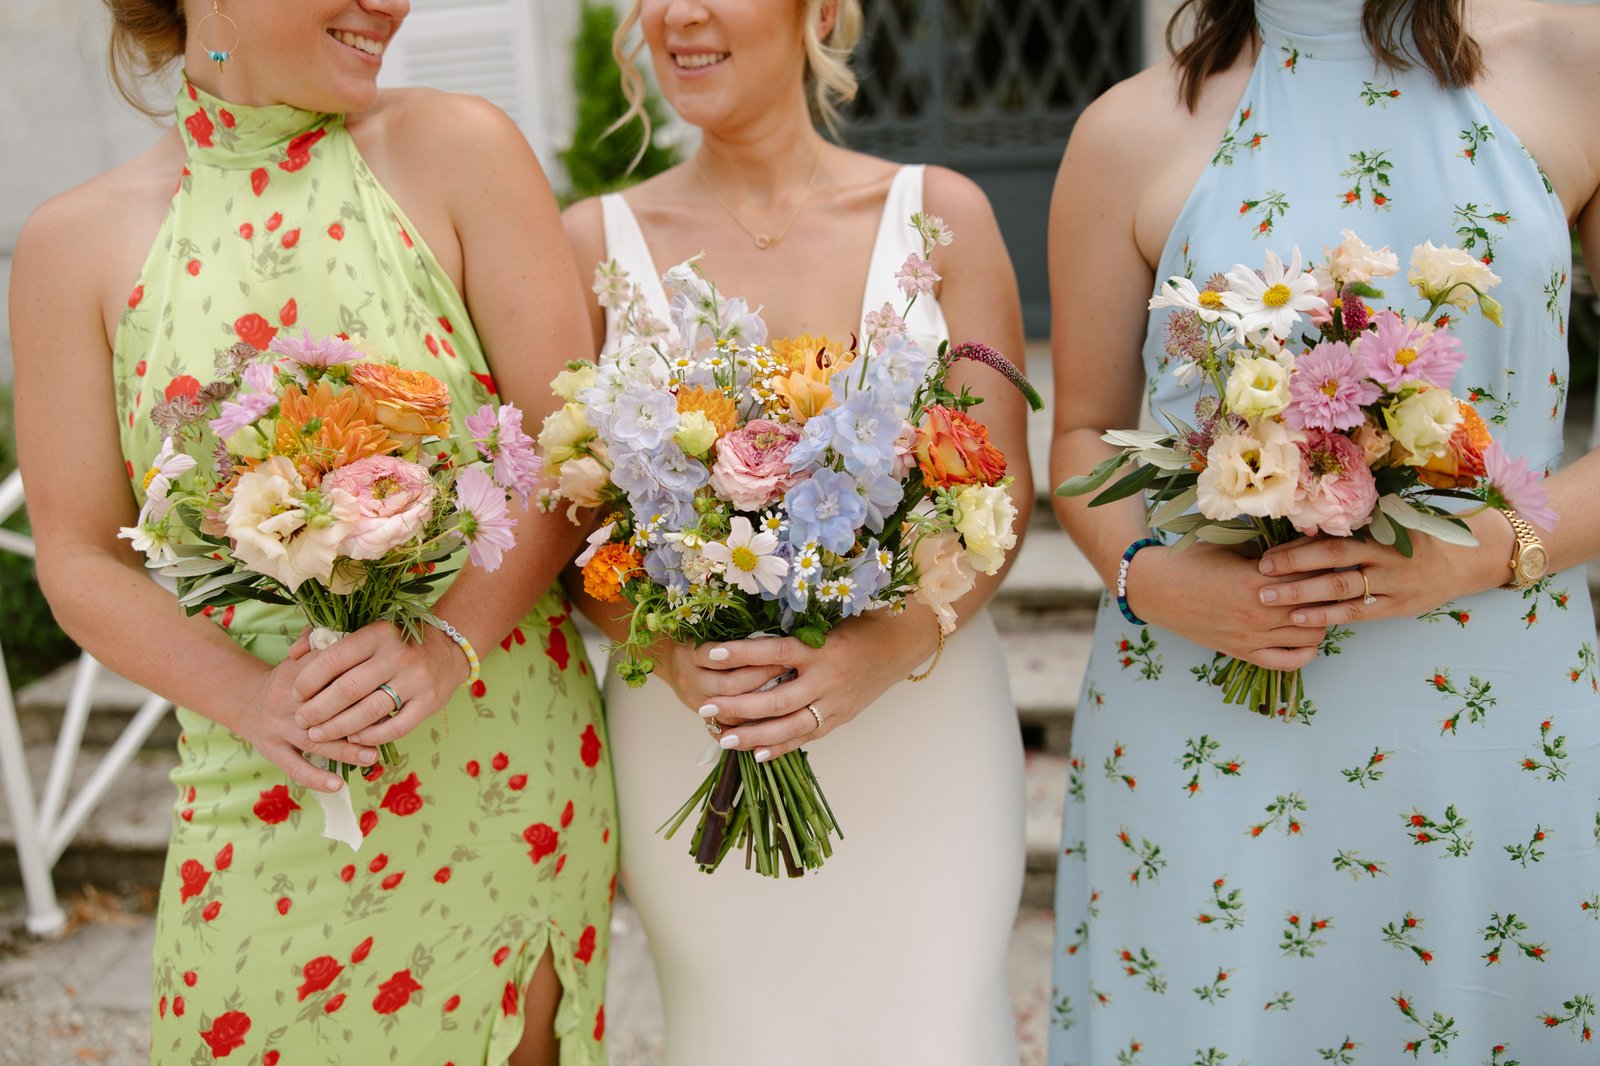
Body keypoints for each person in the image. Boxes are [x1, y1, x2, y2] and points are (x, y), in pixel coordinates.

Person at [8, 1, 616, 1062]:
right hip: (254, 784)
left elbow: (569, 459)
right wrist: (251, 699)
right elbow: (75, 556)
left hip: (494, 767)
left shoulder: (460, 151)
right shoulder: (73, 244)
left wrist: (443, 643)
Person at [1047, 0, 1600, 1060]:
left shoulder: (1573, 63)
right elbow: (1080, 431)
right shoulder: (1128, 131)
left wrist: (1483, 552)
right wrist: (1152, 578)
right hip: (1209, 710)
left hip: (1487, 721)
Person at [560, 1, 1032, 1061]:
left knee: (935, 1026)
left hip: (924, 722)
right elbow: (569, 526)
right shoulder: (589, 242)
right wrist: (673, 656)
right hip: (696, 725)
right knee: (738, 1030)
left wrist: (887, 647)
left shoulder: (937, 213)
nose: (679, 13)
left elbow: (1001, 496)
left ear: (818, 11)